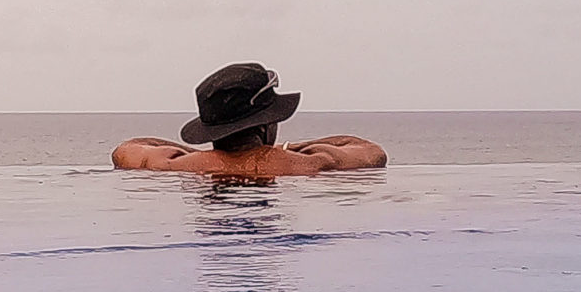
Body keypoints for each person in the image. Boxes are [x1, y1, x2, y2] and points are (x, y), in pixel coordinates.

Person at [112, 63, 387, 176]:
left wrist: (199, 156)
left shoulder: (176, 165)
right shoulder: (311, 161)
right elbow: (372, 153)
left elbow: (125, 151)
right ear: (268, 123)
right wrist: (288, 150)